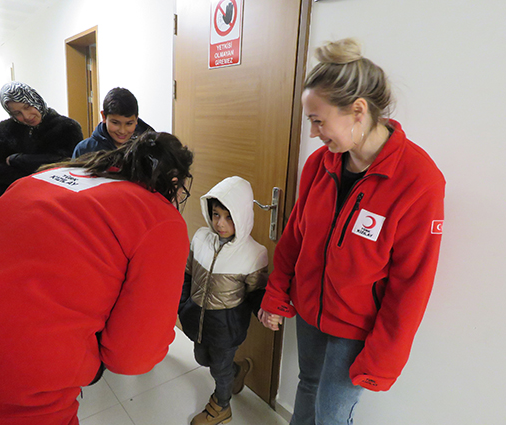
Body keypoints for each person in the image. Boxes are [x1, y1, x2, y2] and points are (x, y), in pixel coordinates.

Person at [0, 131, 194, 425]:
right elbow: (133, 358)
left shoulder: (50, 174)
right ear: (174, 181)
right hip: (12, 378)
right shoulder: (159, 218)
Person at [258, 38, 445, 425]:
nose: (313, 133)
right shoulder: (320, 164)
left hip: (357, 330)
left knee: (331, 416)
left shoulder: (418, 180)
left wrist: (385, 357)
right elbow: (296, 234)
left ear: (358, 111)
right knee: (307, 385)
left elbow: (412, 282)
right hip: (310, 311)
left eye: (318, 121)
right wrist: (276, 294)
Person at [178, 176, 268, 425]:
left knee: (218, 368)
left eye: (229, 217)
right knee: (202, 359)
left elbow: (256, 292)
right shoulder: (200, 238)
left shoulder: (254, 253)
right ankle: (236, 371)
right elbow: (186, 274)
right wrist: (182, 304)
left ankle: (221, 406)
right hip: (197, 320)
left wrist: (264, 310)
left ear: (241, 217)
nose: (220, 223)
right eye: (216, 215)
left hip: (226, 328)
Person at [0, 81, 83, 199]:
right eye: (17, 113)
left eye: (27, 107)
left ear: (36, 100)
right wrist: (26, 178)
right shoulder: (3, 130)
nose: (26, 116)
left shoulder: (67, 127)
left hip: (52, 197)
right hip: (11, 196)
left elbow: (65, 163)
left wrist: (17, 160)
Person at [72, 87, 153, 158]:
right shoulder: (85, 150)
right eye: (115, 123)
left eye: (129, 124)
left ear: (136, 119)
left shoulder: (150, 147)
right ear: (104, 117)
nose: (122, 131)